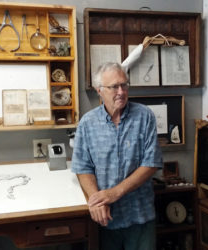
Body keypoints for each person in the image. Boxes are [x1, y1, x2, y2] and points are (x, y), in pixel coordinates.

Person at [71, 62, 163, 250]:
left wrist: (114, 193)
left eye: (124, 85)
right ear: (99, 90)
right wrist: (96, 200)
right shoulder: (87, 123)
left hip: (139, 216)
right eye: (114, 87)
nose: (121, 91)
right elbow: (82, 167)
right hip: (105, 218)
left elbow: (151, 163)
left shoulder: (144, 116)